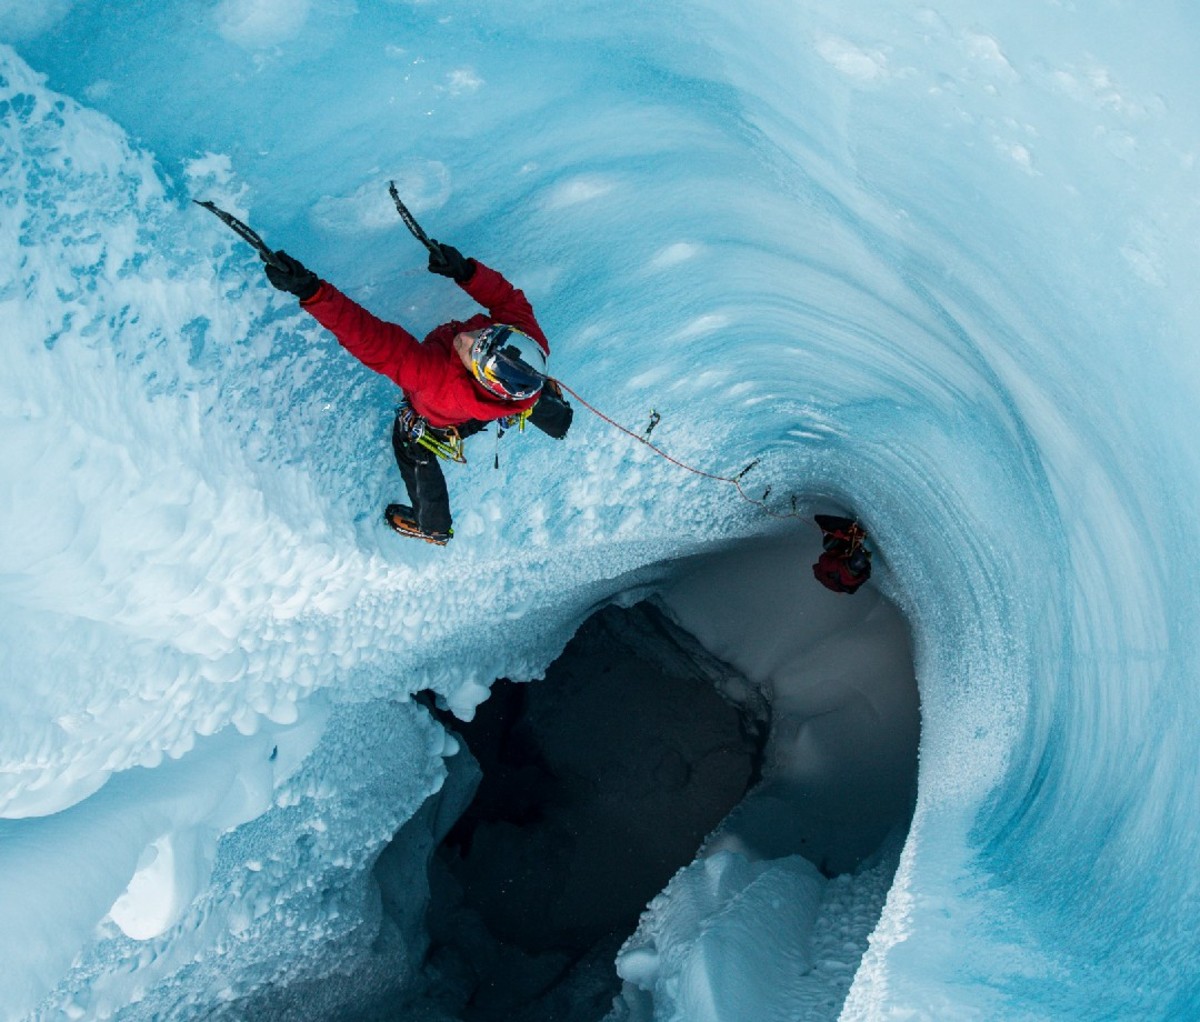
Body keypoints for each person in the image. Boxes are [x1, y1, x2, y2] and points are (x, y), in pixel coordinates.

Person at [261, 241, 571, 545]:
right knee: (529, 391)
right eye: (485, 333)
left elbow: (369, 338)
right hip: (498, 400)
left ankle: (432, 527)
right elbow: (506, 299)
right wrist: (467, 272)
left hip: (438, 420)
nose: (468, 336)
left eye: (471, 349)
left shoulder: (431, 374)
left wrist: (313, 293)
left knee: (412, 448)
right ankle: (557, 419)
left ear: (479, 376)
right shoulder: (528, 341)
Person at [812, 514, 872, 594]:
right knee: (855, 555)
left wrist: (840, 538)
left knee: (829, 544)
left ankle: (841, 531)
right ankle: (851, 537)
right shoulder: (863, 573)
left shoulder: (832, 566)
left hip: (830, 573)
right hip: (840, 580)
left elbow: (823, 558)